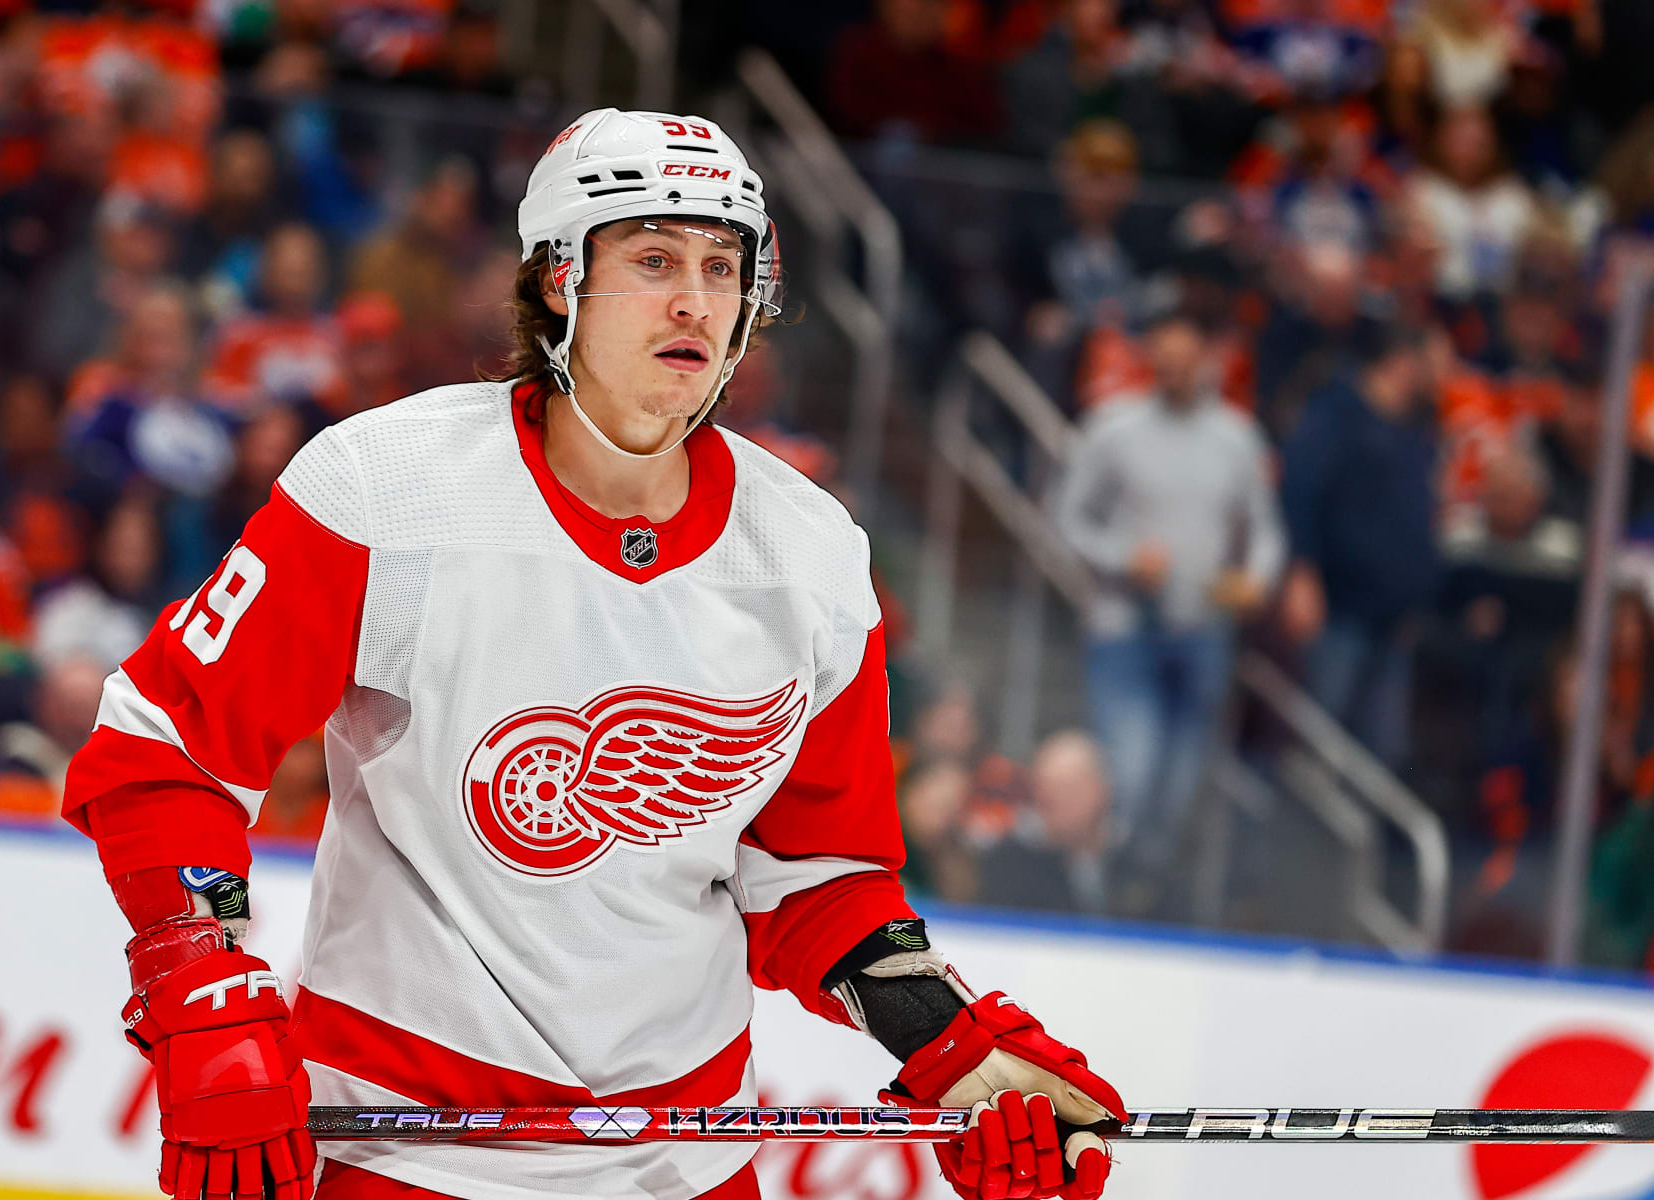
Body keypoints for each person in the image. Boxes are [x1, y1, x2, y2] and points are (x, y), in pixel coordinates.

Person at [60, 109, 1126, 1200]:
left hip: (684, 1164)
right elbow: (163, 751)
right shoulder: (385, 488)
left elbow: (816, 879)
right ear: (560, 279)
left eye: (724, 268)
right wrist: (203, 989)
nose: (695, 301)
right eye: (655, 258)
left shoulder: (808, 555)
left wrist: (956, 1055)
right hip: (406, 1154)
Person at [1056, 307, 1284, 906]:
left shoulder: (1236, 437)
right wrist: (1122, 557)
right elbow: (1070, 518)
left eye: (1188, 362)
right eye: (1167, 362)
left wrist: (1254, 579)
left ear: (1208, 362)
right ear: (1150, 361)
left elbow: (1264, 529)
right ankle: (1101, 889)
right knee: (1130, 771)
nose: (1178, 373)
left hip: (1203, 626)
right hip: (1126, 626)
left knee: (1180, 787)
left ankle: (1142, 891)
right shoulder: (1113, 428)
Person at [1279, 327, 1442, 769]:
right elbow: (1300, 491)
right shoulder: (1337, 413)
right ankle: (1302, 838)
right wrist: (1302, 571)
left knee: (1381, 752)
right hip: (1338, 609)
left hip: (1392, 618)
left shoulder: (1415, 425)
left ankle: (1359, 841)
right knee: (1320, 739)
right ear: (1405, 359)